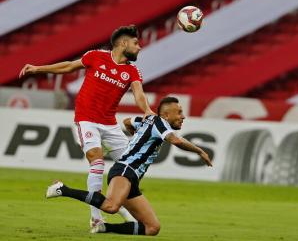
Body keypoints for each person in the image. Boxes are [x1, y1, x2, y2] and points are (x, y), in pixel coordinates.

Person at [19, 25, 155, 228]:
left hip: (110, 124)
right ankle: (96, 218)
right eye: (136, 43)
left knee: (129, 170)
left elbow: (139, 94)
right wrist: (38, 68)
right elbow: (68, 66)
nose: (140, 47)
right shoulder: (96, 56)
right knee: (97, 160)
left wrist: (147, 110)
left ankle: (124, 208)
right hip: (87, 119)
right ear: (123, 43)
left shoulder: (131, 71)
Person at [45, 97, 213, 236]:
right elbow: (175, 140)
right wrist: (200, 151)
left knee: (152, 228)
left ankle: (105, 228)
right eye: (179, 113)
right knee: (111, 206)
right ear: (166, 115)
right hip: (125, 169)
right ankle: (62, 189)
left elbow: (127, 121)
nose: (183, 117)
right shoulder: (159, 122)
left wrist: (138, 135)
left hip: (133, 178)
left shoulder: (147, 120)